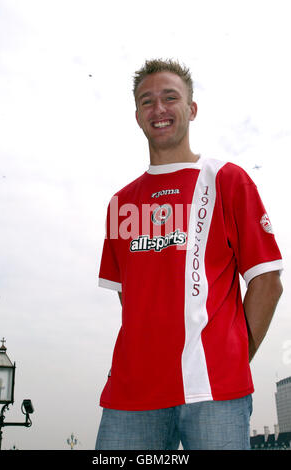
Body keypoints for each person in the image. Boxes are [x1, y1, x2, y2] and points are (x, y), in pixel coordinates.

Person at [95, 59, 283, 450]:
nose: (159, 109)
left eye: (170, 97)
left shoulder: (227, 180)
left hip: (215, 395)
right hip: (132, 397)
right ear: (137, 116)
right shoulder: (120, 203)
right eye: (147, 101)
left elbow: (267, 281)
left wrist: (232, 357)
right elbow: (128, 296)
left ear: (192, 109)